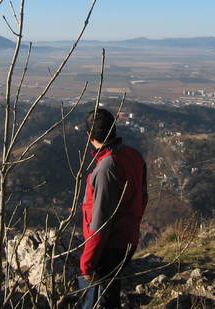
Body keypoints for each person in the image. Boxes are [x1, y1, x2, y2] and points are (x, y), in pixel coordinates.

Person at [78, 108, 147, 309]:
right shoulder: (133, 156)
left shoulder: (106, 168)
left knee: (100, 302)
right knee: (110, 295)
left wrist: (87, 263)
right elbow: (143, 197)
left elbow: (100, 223)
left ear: (89, 136)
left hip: (109, 248)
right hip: (128, 239)